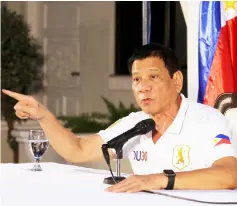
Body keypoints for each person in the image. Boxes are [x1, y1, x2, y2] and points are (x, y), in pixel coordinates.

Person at [2, 43, 237, 193]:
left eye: (153, 78)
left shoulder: (207, 119)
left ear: (176, 81)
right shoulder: (135, 123)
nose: (143, 88)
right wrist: (43, 115)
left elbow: (230, 175)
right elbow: (77, 150)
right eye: (136, 80)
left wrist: (157, 179)